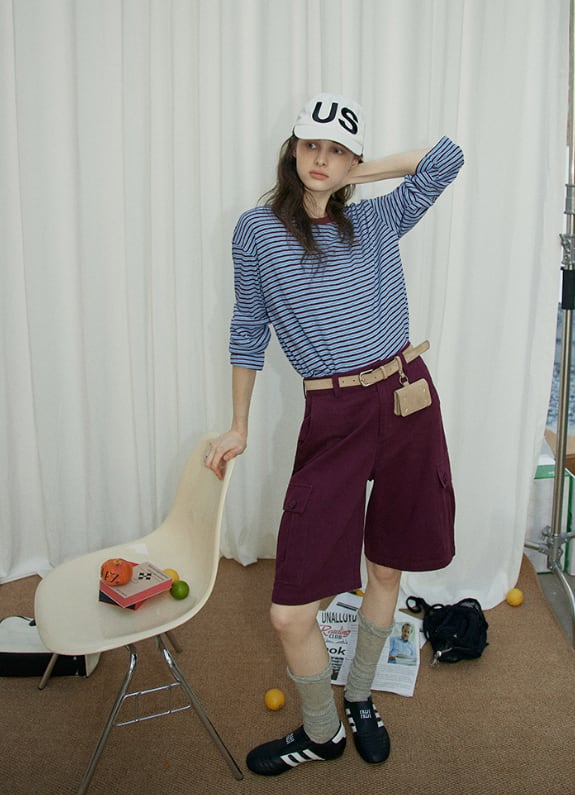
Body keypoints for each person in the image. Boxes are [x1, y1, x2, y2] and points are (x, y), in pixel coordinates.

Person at [205, 92, 463, 776]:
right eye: (311, 145)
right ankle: (322, 732)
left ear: (353, 158)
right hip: (334, 414)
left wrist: (354, 175)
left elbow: (445, 158)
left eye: (337, 149)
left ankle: (360, 695)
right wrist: (238, 424)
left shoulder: (376, 218)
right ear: (291, 149)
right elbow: (248, 326)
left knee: (387, 565)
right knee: (291, 611)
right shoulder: (258, 231)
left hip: (407, 398)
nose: (321, 158)